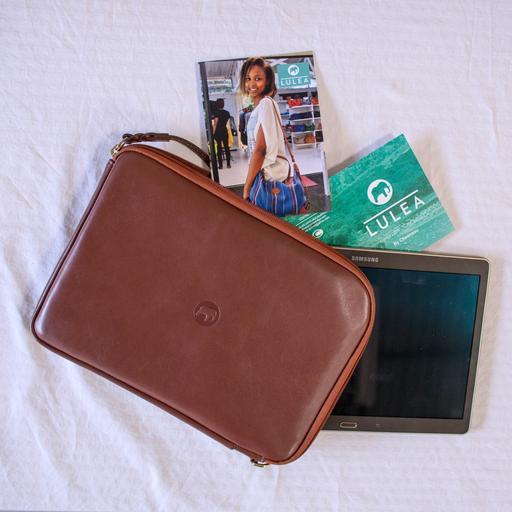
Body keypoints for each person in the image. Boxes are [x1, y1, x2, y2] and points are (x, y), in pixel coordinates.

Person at [240, 57, 290, 201]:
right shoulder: (258, 108)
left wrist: (247, 187)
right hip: (265, 174)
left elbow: (260, 149)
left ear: (267, 81)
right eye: (248, 78)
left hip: (269, 177)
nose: (251, 84)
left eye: (258, 78)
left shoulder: (266, 104)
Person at [211, 98, 231, 169]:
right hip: (224, 131)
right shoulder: (227, 113)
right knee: (226, 147)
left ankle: (220, 165)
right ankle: (228, 164)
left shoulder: (216, 113)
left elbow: (215, 124)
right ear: (223, 104)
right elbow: (228, 123)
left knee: (219, 148)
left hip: (218, 132)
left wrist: (213, 133)